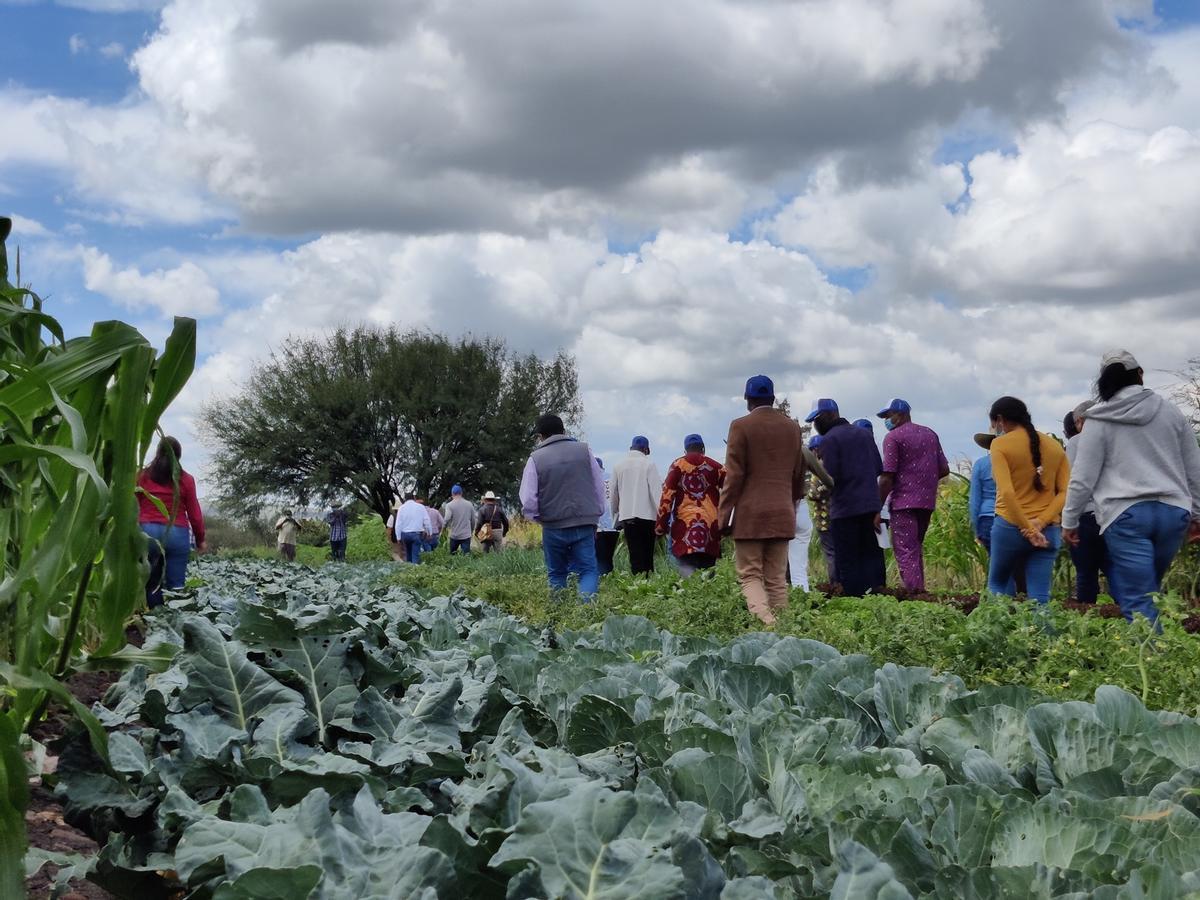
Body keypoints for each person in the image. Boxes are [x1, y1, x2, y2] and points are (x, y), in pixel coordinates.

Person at [1063, 350, 1200, 624]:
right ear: (1140, 375)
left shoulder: (1099, 420)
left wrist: (1069, 520)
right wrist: (1196, 513)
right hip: (1173, 513)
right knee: (1148, 591)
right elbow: (1193, 468)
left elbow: (1083, 477)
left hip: (1126, 515)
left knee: (1137, 599)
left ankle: (1153, 661)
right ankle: (1163, 654)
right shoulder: (1171, 412)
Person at [718, 376, 807, 626]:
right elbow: (798, 473)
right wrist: (791, 504)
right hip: (782, 512)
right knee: (777, 577)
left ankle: (767, 624)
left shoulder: (740, 426)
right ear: (772, 398)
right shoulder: (791, 427)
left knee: (750, 575)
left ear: (748, 400)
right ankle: (785, 627)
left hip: (750, 515)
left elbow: (734, 476)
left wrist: (724, 517)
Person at [987, 396, 1069, 604]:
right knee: (1040, 597)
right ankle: (1043, 637)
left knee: (997, 585)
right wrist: (1039, 523)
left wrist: (1028, 528)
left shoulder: (1000, 445)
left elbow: (1007, 493)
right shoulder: (1055, 447)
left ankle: (998, 636)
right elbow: (1065, 493)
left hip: (1009, 527)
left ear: (1000, 419)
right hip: (1048, 530)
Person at [519, 413, 606, 597]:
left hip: (553, 525)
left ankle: (559, 614)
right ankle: (586, 611)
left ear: (540, 436)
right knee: (588, 570)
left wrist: (536, 517)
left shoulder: (535, 458)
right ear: (564, 431)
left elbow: (528, 499)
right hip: (584, 522)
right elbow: (598, 484)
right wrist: (596, 513)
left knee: (557, 573)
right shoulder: (584, 450)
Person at [806, 398, 885, 596]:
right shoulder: (864, 435)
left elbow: (830, 478)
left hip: (845, 509)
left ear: (829, 415)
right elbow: (878, 467)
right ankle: (878, 597)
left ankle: (855, 601)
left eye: (817, 419)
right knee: (872, 557)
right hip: (870, 507)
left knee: (848, 562)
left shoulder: (830, 440)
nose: (815, 425)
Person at [877, 399, 950, 592]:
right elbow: (944, 468)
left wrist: (877, 507)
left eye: (888, 416)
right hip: (926, 502)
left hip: (903, 502)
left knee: (905, 550)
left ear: (900, 414)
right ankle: (920, 591)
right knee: (915, 547)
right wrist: (924, 480)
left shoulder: (893, 438)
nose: (886, 420)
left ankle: (914, 595)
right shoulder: (930, 434)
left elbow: (887, 477)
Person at [136, 436, 205, 608]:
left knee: (152, 584)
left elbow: (132, 506)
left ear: (157, 453)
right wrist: (200, 539)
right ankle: (175, 624)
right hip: (177, 533)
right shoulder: (186, 480)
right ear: (179, 456)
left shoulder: (142, 476)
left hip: (147, 533)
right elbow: (195, 514)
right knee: (176, 585)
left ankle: (155, 622)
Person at [656, 434, 725, 577]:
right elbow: (732, 487)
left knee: (687, 577)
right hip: (710, 528)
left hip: (684, 529)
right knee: (708, 575)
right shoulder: (716, 467)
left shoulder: (677, 466)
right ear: (703, 449)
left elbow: (666, 497)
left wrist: (660, 526)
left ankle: (688, 595)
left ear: (685, 450)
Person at [1061, 401, 1108, 604]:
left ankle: (1087, 622)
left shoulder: (1077, 442)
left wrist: (1068, 520)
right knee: (1114, 569)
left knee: (1086, 572)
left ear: (1080, 421)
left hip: (1085, 516)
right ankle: (1126, 618)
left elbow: (1074, 480)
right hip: (1111, 515)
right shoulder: (1114, 437)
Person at [612, 435, 663, 576]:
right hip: (648, 518)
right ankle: (647, 583)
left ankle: (637, 583)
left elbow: (614, 494)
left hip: (627, 516)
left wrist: (615, 514)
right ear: (646, 450)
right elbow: (657, 494)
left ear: (631, 448)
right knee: (647, 556)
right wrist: (662, 518)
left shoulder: (618, 466)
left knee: (635, 555)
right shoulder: (649, 465)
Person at [790, 438, 834, 590]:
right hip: (799, 506)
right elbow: (829, 482)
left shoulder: (770, 451)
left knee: (775, 564)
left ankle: (779, 603)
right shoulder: (802, 451)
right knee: (799, 564)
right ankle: (802, 594)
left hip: (777, 507)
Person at [806, 435, 837, 583]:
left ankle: (835, 584)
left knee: (831, 554)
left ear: (816, 450)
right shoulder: (836, 464)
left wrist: (821, 488)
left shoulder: (818, 469)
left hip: (824, 519)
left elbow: (812, 494)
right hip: (838, 516)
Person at [595, 459, 620, 576]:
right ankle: (609, 577)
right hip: (613, 525)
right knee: (608, 556)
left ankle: (602, 580)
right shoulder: (609, 478)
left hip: (597, 526)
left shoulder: (588, 479)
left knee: (598, 557)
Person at [392, 493, 432, 564]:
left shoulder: (401, 508)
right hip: (416, 534)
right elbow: (427, 521)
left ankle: (409, 568)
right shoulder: (421, 507)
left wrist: (398, 537)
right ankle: (414, 570)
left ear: (405, 499)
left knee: (408, 553)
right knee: (415, 554)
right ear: (414, 498)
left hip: (405, 535)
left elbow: (398, 524)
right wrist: (429, 532)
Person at [442, 485, 475, 555]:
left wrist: (443, 528)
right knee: (466, 556)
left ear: (452, 493)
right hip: (466, 535)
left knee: (452, 555)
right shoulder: (469, 504)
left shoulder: (449, 505)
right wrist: (471, 530)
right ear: (461, 493)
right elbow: (473, 520)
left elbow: (447, 518)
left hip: (454, 535)